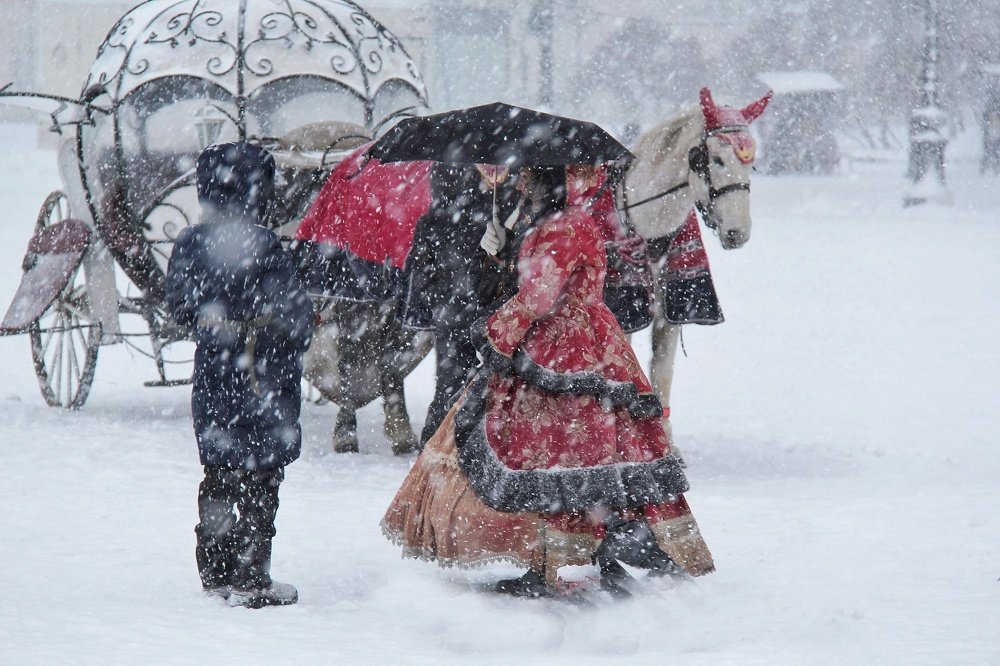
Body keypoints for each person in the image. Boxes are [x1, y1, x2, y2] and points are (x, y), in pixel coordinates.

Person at [382, 164, 714, 598]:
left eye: (528, 176)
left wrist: (498, 329)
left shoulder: (565, 226)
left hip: (568, 349)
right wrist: (497, 252)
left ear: (548, 181)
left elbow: (539, 296)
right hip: (559, 344)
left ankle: (587, 559)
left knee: (570, 457)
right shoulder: (547, 221)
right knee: (555, 458)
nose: (519, 181)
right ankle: (560, 561)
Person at [166, 142, 315, 608]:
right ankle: (251, 577)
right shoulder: (266, 244)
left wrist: (217, 330)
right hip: (263, 379)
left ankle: (214, 568)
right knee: (261, 481)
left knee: (219, 474)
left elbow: (180, 307)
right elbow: (295, 318)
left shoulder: (189, 243)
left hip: (215, 374)